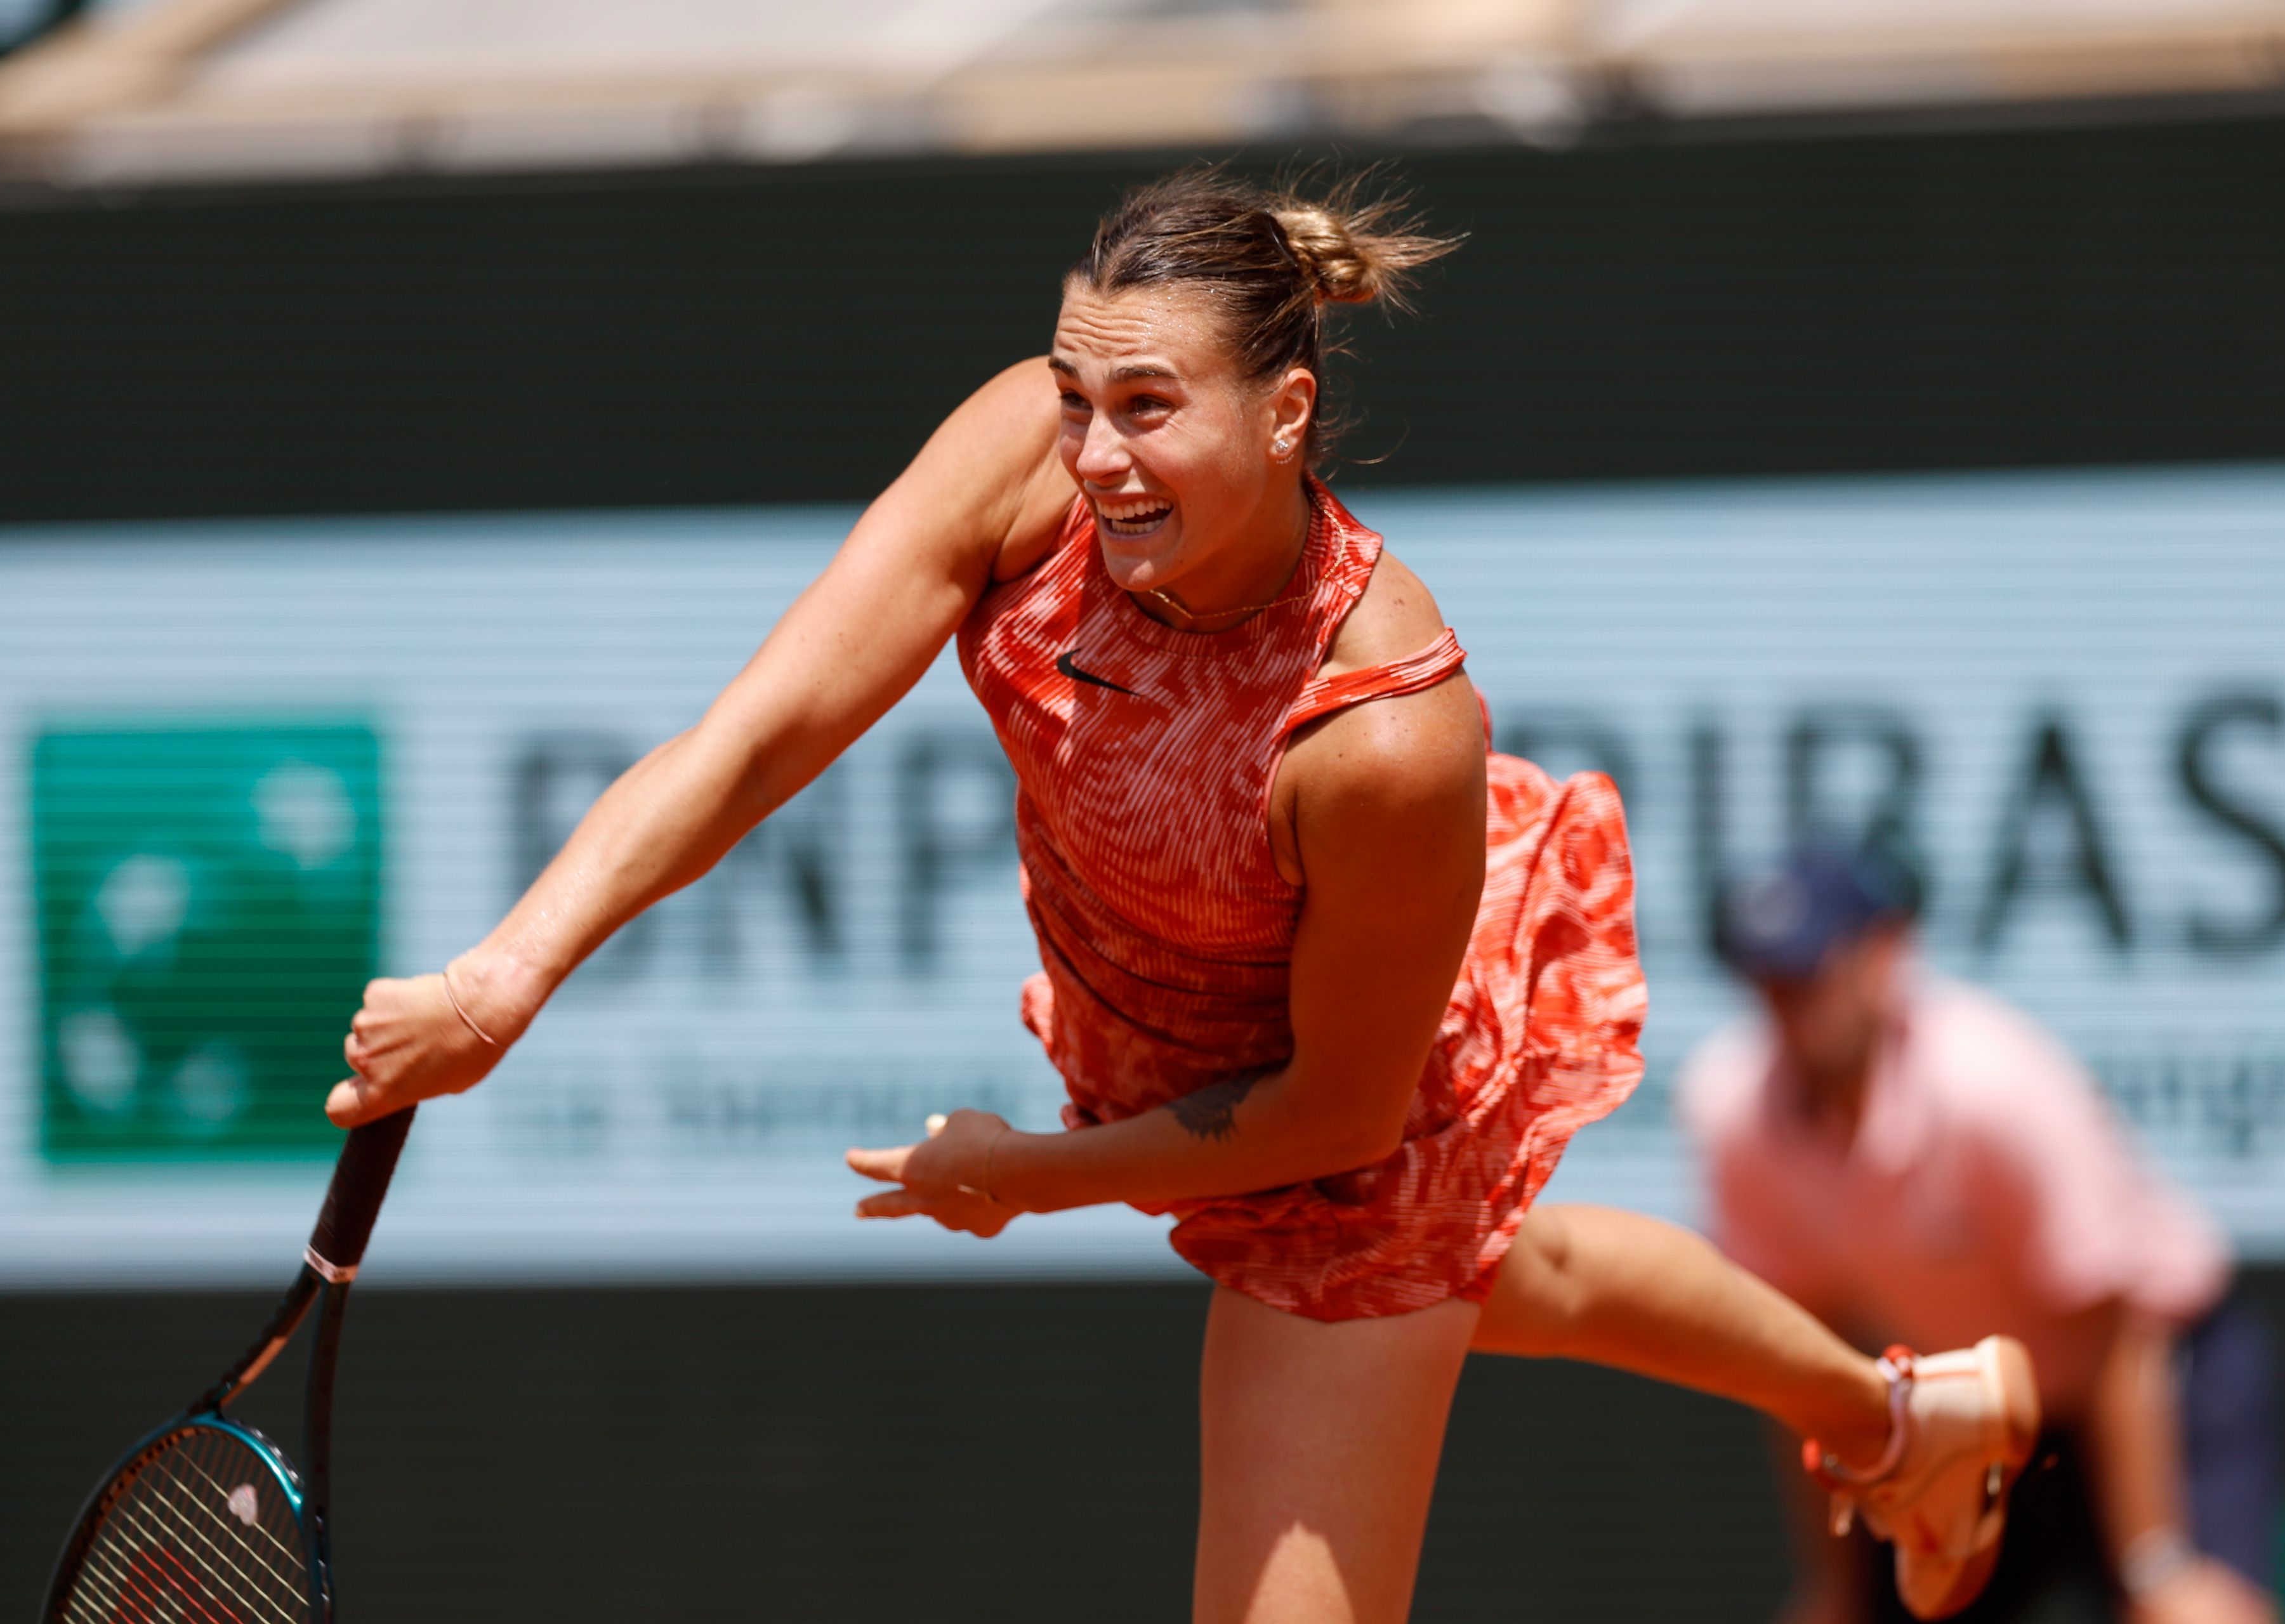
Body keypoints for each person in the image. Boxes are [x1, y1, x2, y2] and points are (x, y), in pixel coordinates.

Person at [327, 171, 2037, 1624]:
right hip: (1171, 1048)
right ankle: (1906, 1416)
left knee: (1442, 1264)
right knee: (1526, 1278)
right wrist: (503, 981)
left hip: (1345, 1150)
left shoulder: (1383, 736)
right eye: (1080, 401)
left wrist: (1031, 1179)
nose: (1094, 454)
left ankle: (1899, 1421)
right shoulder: (1020, 458)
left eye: (1148, 409)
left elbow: (1327, 1116)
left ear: (1286, 411)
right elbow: (759, 735)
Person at [1682, 845, 2285, 1624]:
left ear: (1885, 955)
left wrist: (2153, 1563)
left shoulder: (1992, 1086)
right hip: (1969, 1421)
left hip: (2163, 1379)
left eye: (1809, 973)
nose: (1788, 1005)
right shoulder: (1731, 1112)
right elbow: (1799, 1357)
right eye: (1767, 980)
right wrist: (1840, 1586)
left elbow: (2116, 1334)